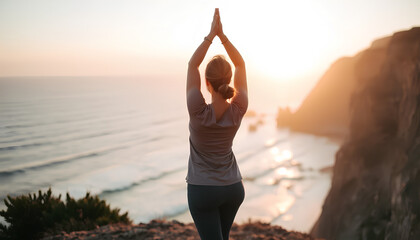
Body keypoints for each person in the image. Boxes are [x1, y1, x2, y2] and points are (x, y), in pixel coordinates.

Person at [186, 8, 248, 240]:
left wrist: (211, 36)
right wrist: (223, 37)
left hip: (203, 190)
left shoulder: (197, 110)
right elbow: (241, 65)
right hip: (233, 188)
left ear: (207, 83)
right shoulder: (239, 107)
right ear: (229, 80)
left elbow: (192, 66)